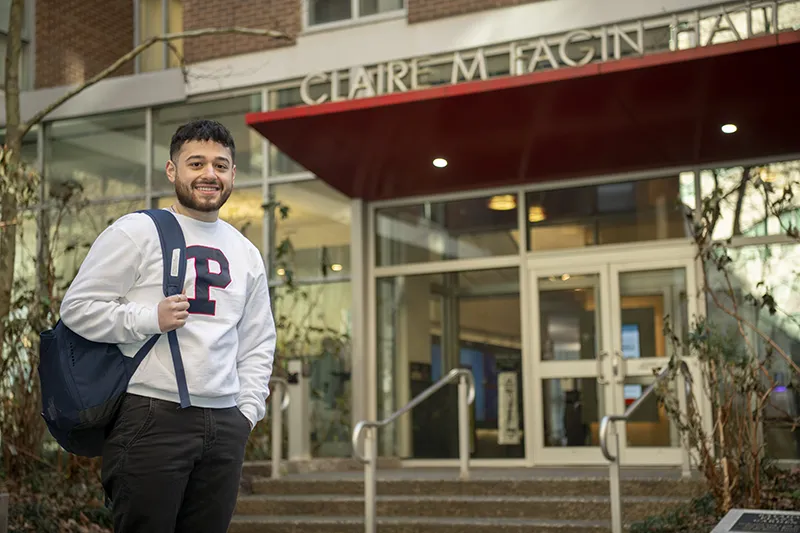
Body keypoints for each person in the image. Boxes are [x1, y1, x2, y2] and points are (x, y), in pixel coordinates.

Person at [59, 119, 276, 533]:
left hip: (225, 422)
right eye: (196, 163)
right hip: (152, 416)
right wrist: (147, 318)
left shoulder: (246, 252)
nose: (209, 174)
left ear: (233, 175)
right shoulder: (136, 231)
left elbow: (258, 340)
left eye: (220, 165)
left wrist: (246, 413)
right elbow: (78, 308)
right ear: (172, 170)